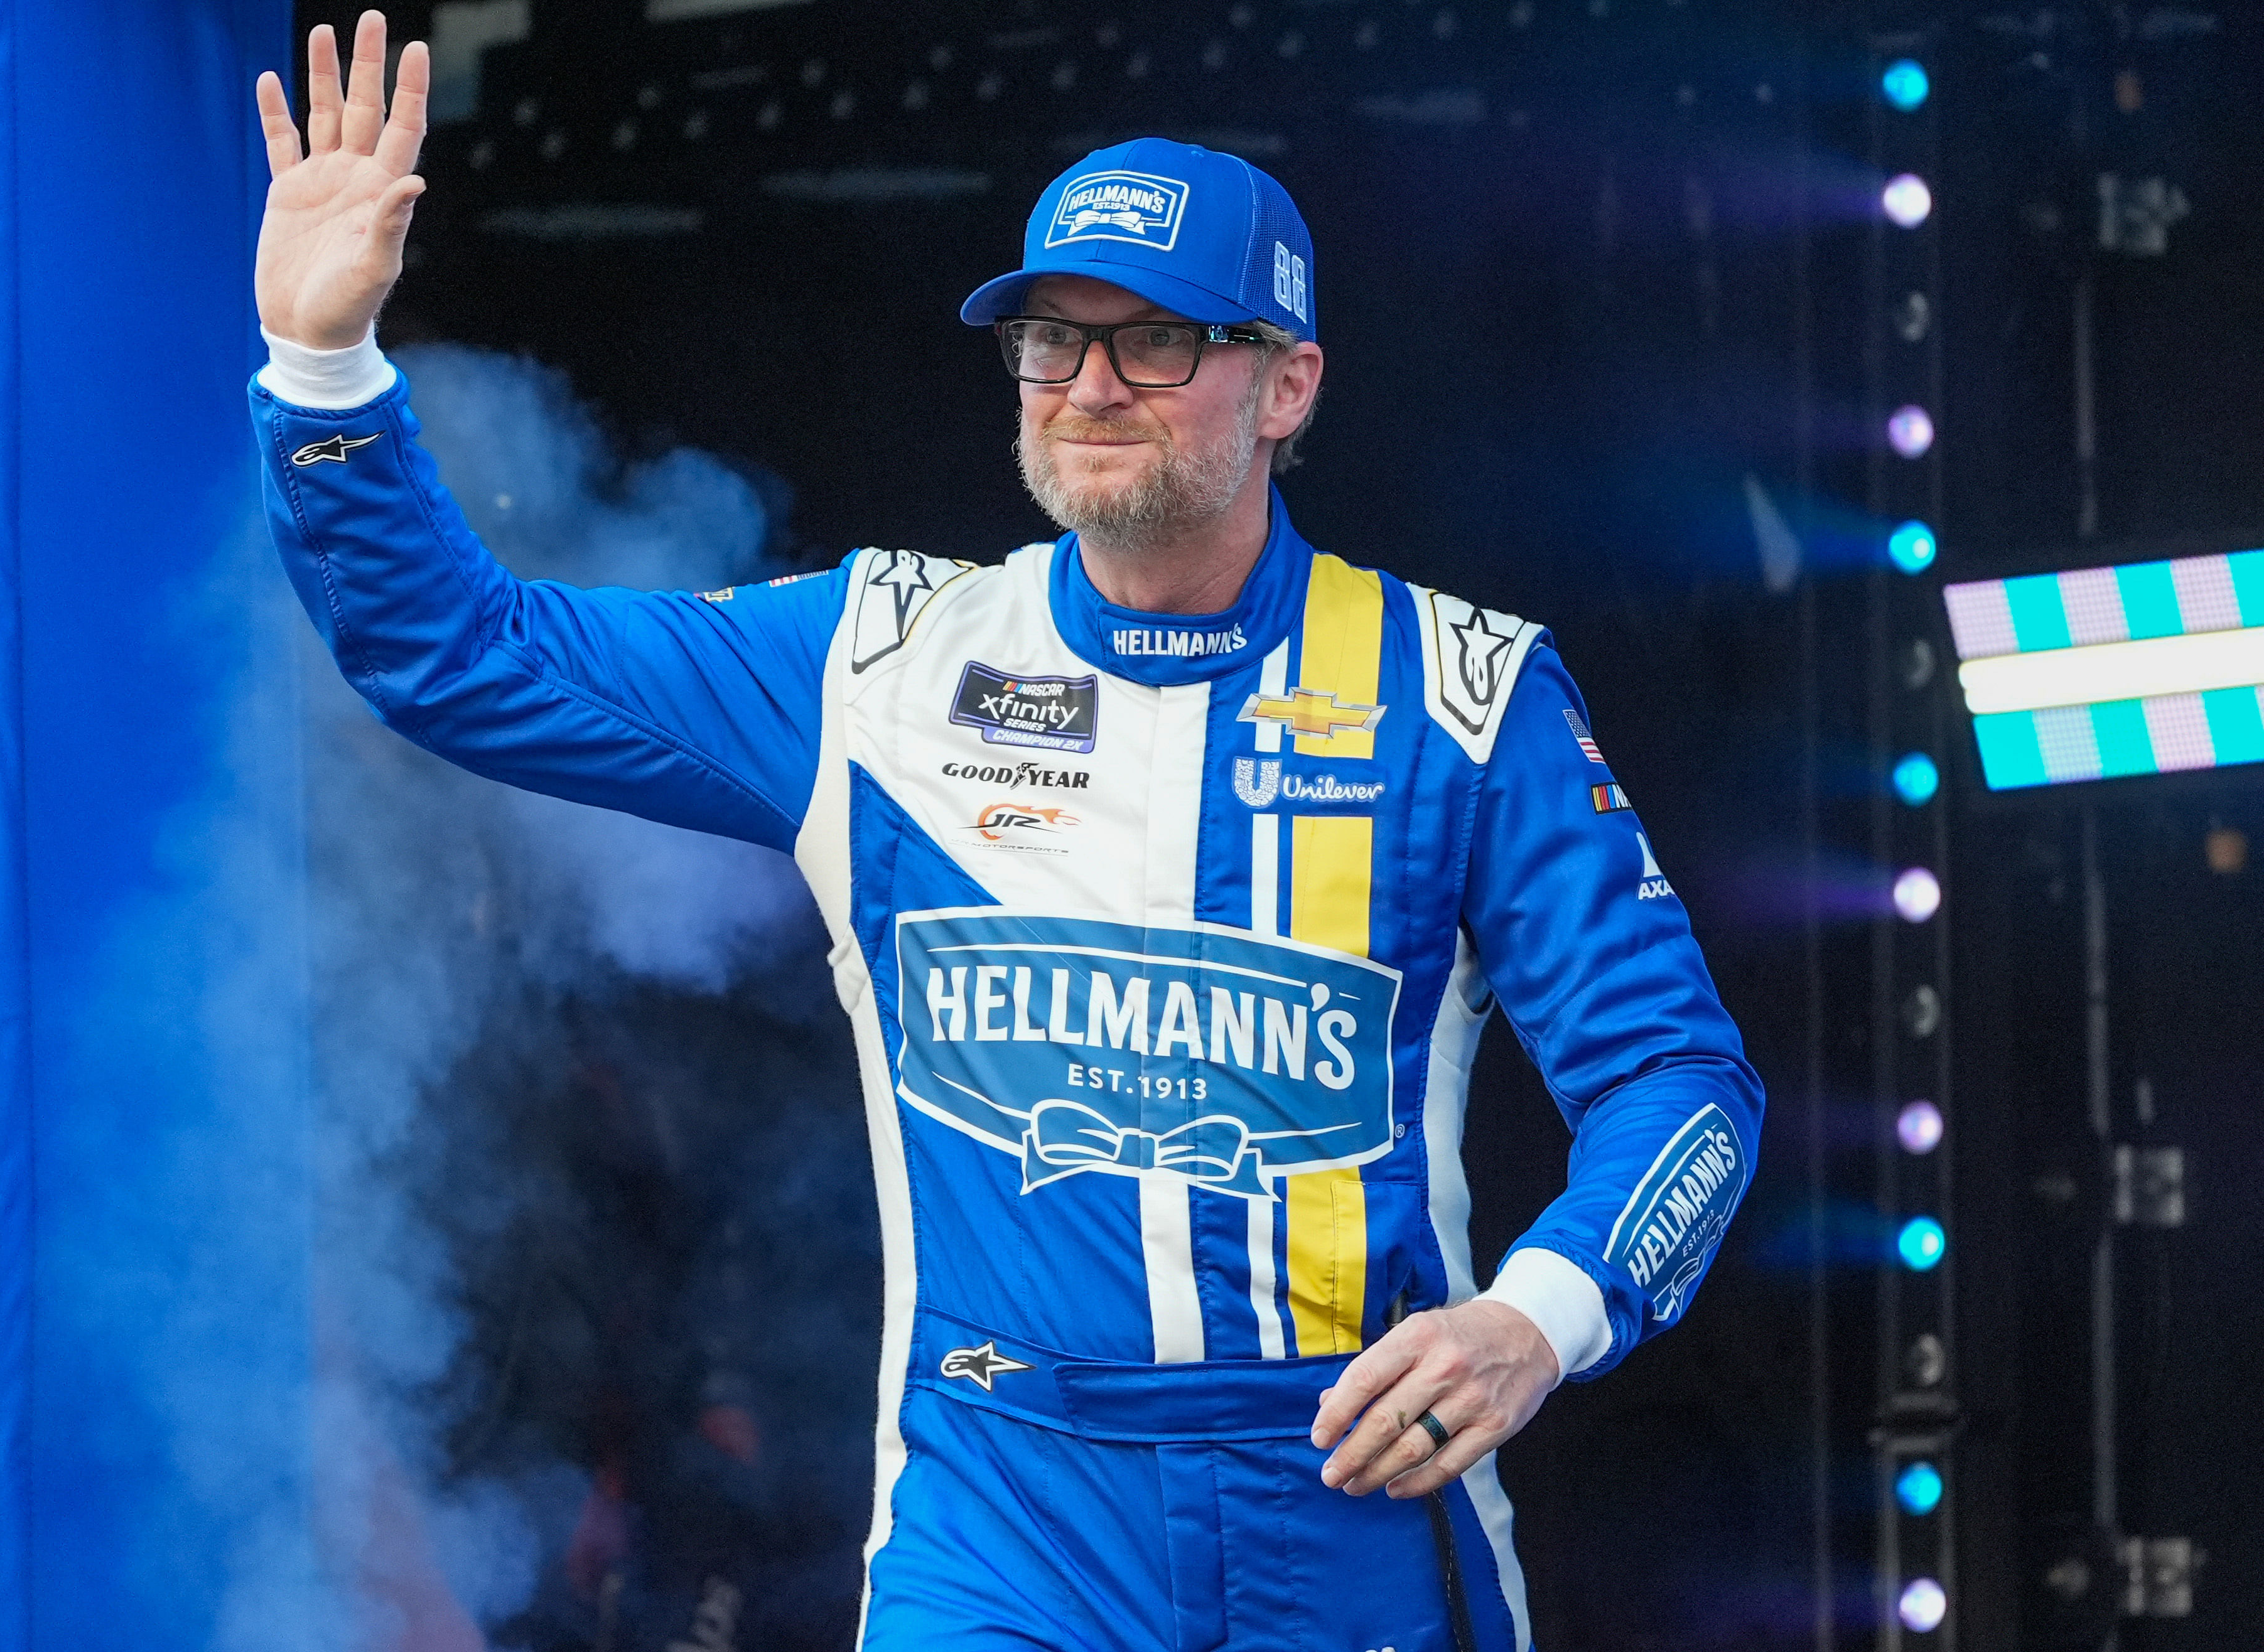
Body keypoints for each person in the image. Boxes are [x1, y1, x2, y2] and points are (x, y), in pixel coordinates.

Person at [249, 14, 1765, 1650]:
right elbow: (463, 659)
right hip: (1008, 1521)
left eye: (1156, 343)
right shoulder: (877, 661)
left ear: (1289, 383)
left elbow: (1679, 1081)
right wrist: (325, 367)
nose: (1091, 387)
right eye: (1052, 340)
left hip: (1344, 1503)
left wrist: (1540, 1320)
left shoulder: (1470, 696)